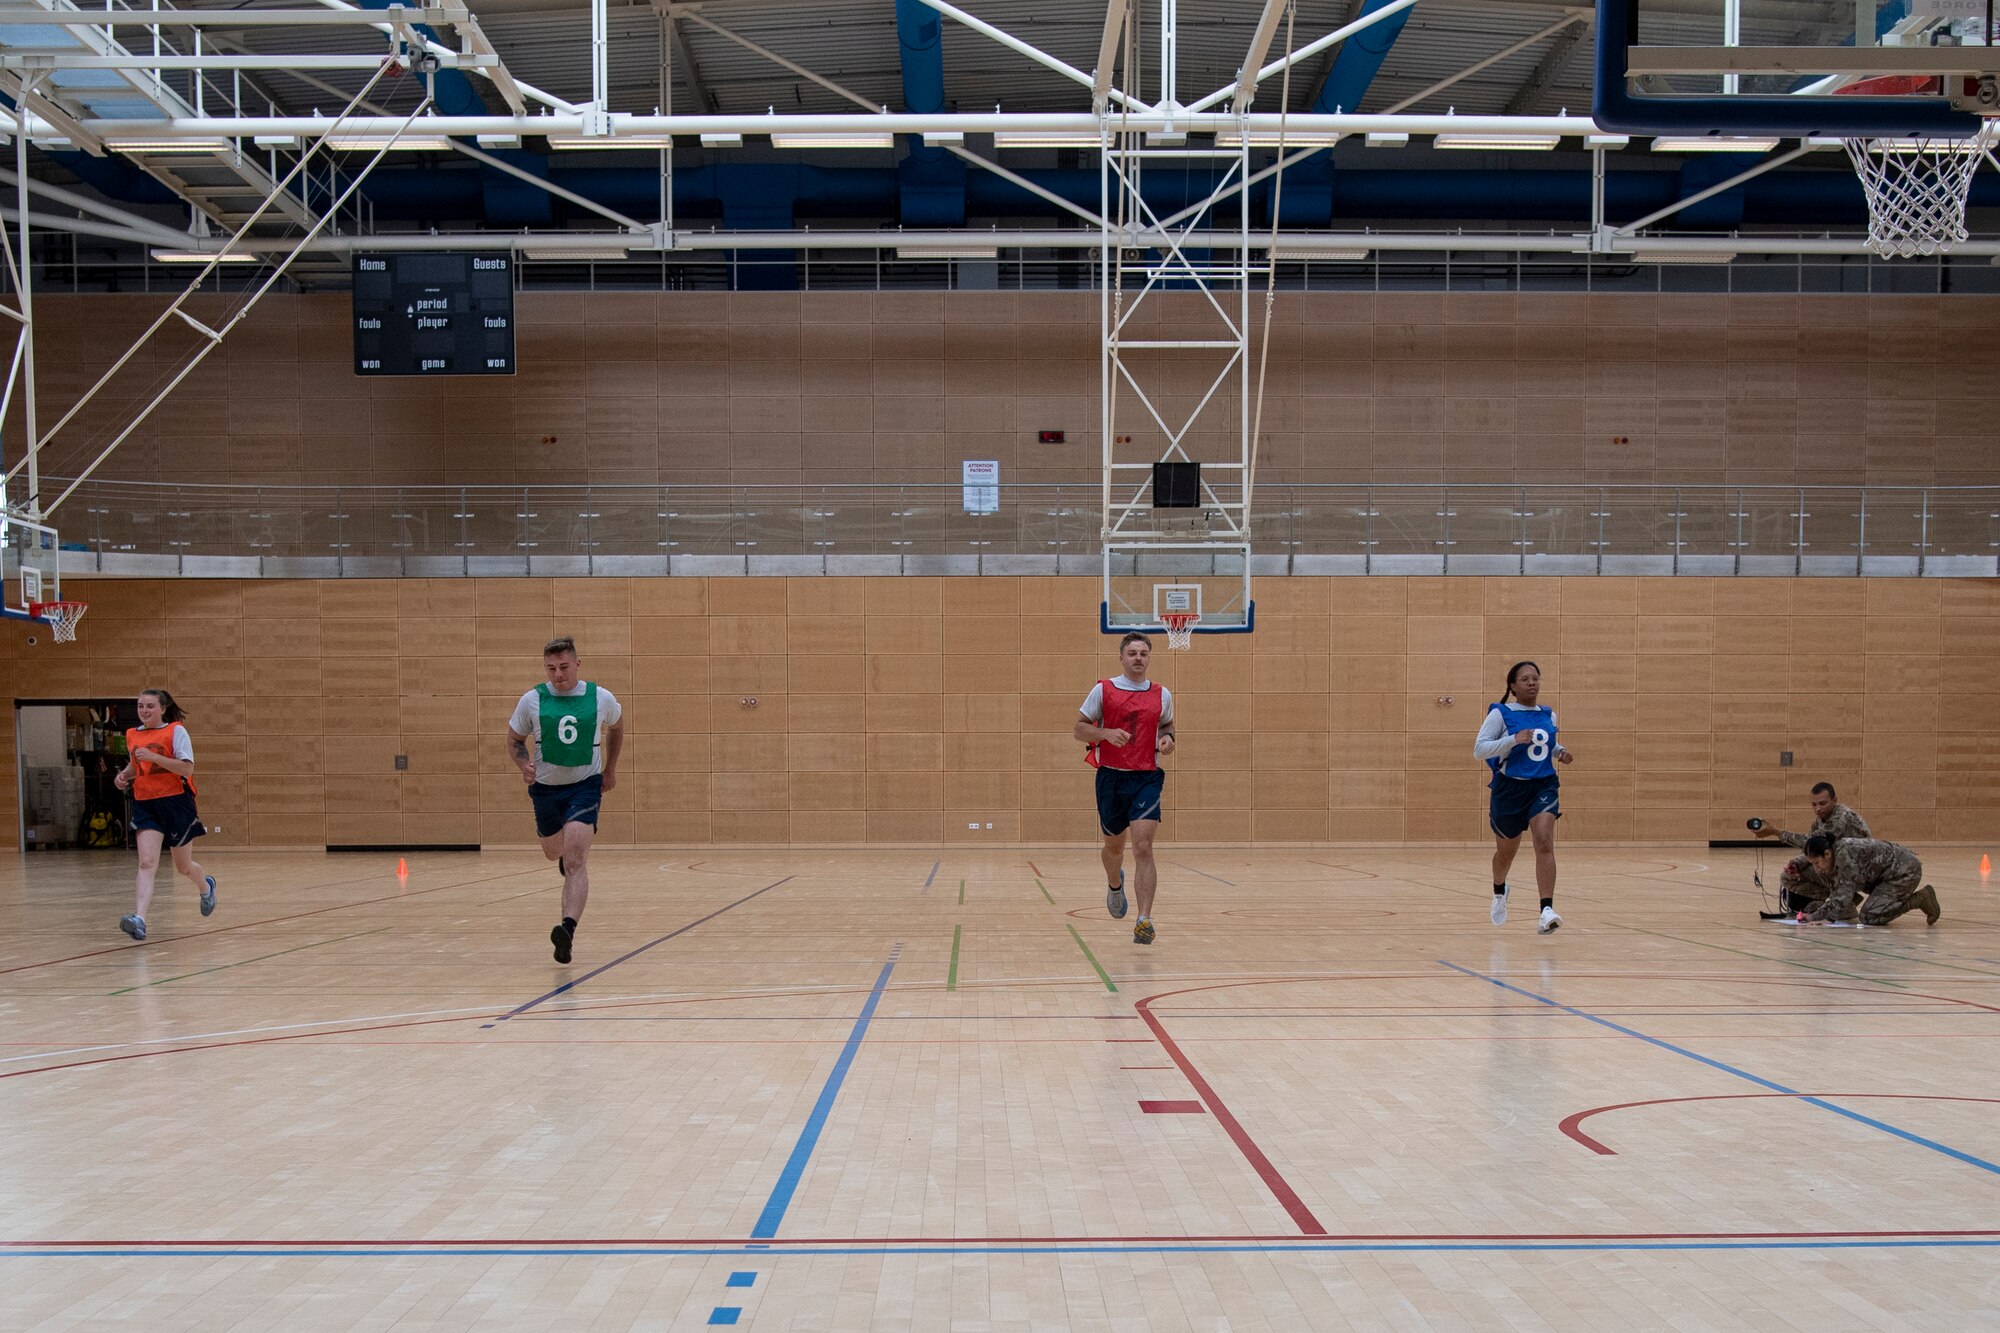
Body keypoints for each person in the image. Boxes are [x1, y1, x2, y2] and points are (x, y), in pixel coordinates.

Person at [507, 637, 623, 964]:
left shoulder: (600, 697)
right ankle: (562, 853)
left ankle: (567, 932)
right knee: (553, 851)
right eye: (552, 668)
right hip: (545, 789)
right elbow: (515, 740)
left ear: (577, 664)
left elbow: (617, 726)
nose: (558, 674)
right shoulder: (532, 700)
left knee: (575, 860)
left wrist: (610, 769)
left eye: (564, 667)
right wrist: (523, 763)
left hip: (585, 785)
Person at [1074, 631, 1176, 945]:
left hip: (1146, 777)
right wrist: (1104, 733)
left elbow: (1168, 725)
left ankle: (1144, 919)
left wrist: (1169, 739)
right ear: (1122, 657)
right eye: (1132, 653)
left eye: (1143, 653)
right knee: (1114, 849)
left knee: (1143, 847)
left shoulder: (1162, 694)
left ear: (1149, 657)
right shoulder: (1103, 689)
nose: (1138, 659)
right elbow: (1079, 729)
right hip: (1111, 778)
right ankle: (1113, 882)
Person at [1474, 661, 1574, 935]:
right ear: (1513, 686)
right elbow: (1479, 749)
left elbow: (1545, 745)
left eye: (1536, 678)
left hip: (1542, 785)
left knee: (1543, 840)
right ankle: (1499, 890)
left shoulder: (1548, 714)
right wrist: (1513, 740)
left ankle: (1546, 910)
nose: (1532, 683)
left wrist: (1561, 752)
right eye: (1525, 679)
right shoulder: (1501, 714)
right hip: (1509, 789)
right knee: (1506, 852)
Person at [112, 688, 215, 941]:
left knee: (183, 866)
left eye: (149, 706)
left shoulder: (176, 731)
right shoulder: (132, 734)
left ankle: (206, 886)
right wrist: (125, 775)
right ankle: (139, 920)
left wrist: (154, 757)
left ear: (163, 708)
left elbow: (186, 768)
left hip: (176, 803)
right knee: (147, 863)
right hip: (146, 803)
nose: (144, 711)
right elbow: (138, 765)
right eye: (140, 706)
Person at [1753, 781, 1870, 914]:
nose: (1818, 809)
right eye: (1814, 805)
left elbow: (1809, 842)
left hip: (1860, 870)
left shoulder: (1841, 818)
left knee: (1818, 868)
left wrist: (1776, 832)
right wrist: (1797, 863)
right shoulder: (1821, 819)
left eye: (1822, 803)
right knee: (1788, 876)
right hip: (1842, 865)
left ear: (1835, 800)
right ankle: (1845, 898)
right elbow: (1813, 850)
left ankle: (1844, 899)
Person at [1800, 834, 1940, 927]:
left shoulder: (1844, 856)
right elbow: (1836, 895)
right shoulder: (1833, 858)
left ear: (1827, 854)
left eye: (1817, 863)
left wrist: (1827, 919)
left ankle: (1920, 899)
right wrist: (1813, 917)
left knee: (1869, 916)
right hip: (1884, 877)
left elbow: (1843, 893)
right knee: (1864, 912)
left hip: (1904, 872)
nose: (1816, 868)